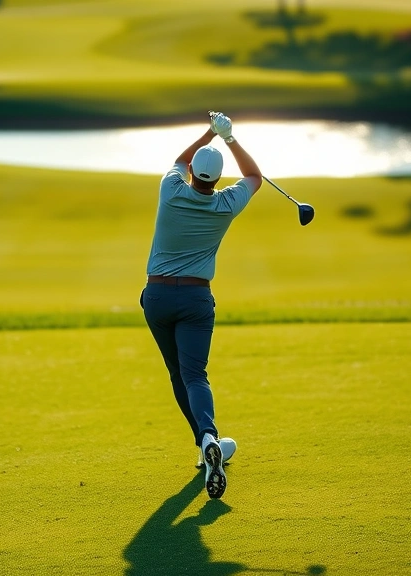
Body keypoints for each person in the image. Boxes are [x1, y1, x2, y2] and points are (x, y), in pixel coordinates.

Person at [140, 112, 263, 499]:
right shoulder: (225, 204)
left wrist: (211, 131)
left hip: (157, 297)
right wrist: (230, 140)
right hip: (196, 299)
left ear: (194, 172)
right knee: (195, 375)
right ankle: (208, 436)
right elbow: (256, 178)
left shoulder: (171, 190)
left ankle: (203, 444)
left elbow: (179, 159)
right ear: (217, 179)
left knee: (178, 374)